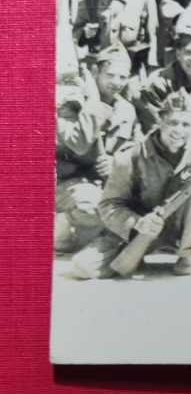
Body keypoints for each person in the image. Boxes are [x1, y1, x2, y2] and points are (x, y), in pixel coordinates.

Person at [71, 91, 191, 279]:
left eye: (186, 124)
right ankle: (138, 253)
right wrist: (138, 224)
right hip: (146, 226)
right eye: (173, 123)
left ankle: (188, 256)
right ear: (160, 121)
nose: (179, 131)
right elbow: (109, 204)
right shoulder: (130, 156)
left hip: (187, 226)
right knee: (82, 268)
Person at [55, 46, 142, 252]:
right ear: (94, 74)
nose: (116, 82)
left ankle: (93, 234)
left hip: (108, 184)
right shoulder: (72, 105)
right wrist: (93, 101)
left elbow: (136, 149)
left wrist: (116, 161)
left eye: (123, 77)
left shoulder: (127, 110)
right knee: (98, 207)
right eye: (110, 75)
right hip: (70, 184)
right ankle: (62, 223)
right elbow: (79, 143)